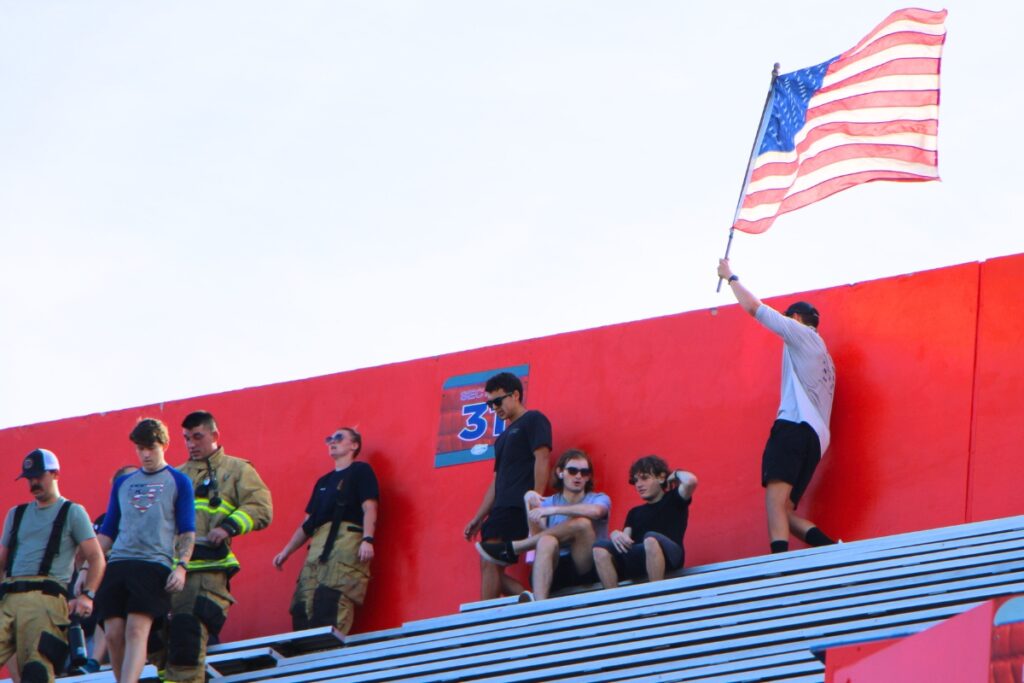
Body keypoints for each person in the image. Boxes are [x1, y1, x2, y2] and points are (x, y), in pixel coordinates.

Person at [717, 258, 837, 553]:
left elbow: (755, 308)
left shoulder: (801, 335)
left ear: (796, 319)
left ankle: (779, 567)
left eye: (787, 318)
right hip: (816, 439)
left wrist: (730, 276)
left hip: (794, 427)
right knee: (786, 509)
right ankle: (831, 548)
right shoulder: (826, 357)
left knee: (774, 500)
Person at [160, 410, 273, 682]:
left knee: (186, 640)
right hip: (170, 574)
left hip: (207, 572)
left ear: (215, 435)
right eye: (186, 438)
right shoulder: (175, 475)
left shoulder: (237, 470)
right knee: (162, 645)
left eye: (197, 437)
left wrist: (228, 527)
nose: (190, 444)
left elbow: (261, 507)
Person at [95, 418, 195, 683]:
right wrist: (87, 567)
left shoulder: (179, 481)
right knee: (113, 633)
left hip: (154, 564)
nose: (145, 454)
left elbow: (187, 530)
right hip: (118, 563)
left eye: (150, 447)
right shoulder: (123, 483)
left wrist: (182, 567)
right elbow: (107, 531)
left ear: (164, 445)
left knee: (136, 631)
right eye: (140, 448)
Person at [0, 449, 106, 683]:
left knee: (37, 672)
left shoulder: (72, 512)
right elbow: (1, 560)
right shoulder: (16, 513)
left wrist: (87, 595)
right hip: (8, 596)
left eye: (39, 476)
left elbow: (96, 557)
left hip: (46, 598)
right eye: (30, 478)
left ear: (55, 474)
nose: (34, 482)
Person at [272, 427, 378, 636]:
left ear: (354, 445)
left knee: (331, 597)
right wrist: (286, 552)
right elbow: (308, 524)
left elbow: (370, 507)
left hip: (345, 541)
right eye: (329, 438)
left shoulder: (360, 471)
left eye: (339, 438)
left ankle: (327, 653)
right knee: (304, 601)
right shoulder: (323, 481)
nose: (332, 441)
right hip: (318, 545)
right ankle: (306, 657)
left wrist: (367, 539)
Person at [464, 372, 552, 600]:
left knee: (490, 563)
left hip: (516, 505)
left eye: (498, 401)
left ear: (515, 395)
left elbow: (542, 457)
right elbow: (497, 480)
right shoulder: (501, 439)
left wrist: (536, 500)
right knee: (488, 564)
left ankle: (488, 622)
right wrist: (478, 517)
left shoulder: (534, 419)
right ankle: (527, 598)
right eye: (489, 404)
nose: (494, 408)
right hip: (499, 509)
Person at [477, 449, 610, 600]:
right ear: (560, 472)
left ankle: (518, 547)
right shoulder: (546, 503)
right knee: (547, 540)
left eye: (584, 472)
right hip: (554, 569)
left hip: (586, 567)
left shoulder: (599, 498)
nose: (578, 476)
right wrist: (530, 506)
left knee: (583, 524)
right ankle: (539, 607)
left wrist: (553, 510)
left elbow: (597, 512)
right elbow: (538, 535)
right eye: (572, 471)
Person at [592, 456, 697, 588]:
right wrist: (615, 535)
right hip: (640, 556)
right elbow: (625, 540)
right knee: (599, 547)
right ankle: (614, 601)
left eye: (645, 478)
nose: (639, 485)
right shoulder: (634, 512)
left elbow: (691, 481)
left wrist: (675, 474)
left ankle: (656, 595)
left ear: (661, 478)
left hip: (671, 557)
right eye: (635, 481)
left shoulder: (674, 498)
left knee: (650, 538)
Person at [73, 464, 139, 674]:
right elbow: (87, 555)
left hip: (143, 585)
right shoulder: (104, 522)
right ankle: (93, 662)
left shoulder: (155, 516)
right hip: (110, 586)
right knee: (110, 609)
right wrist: (83, 572)